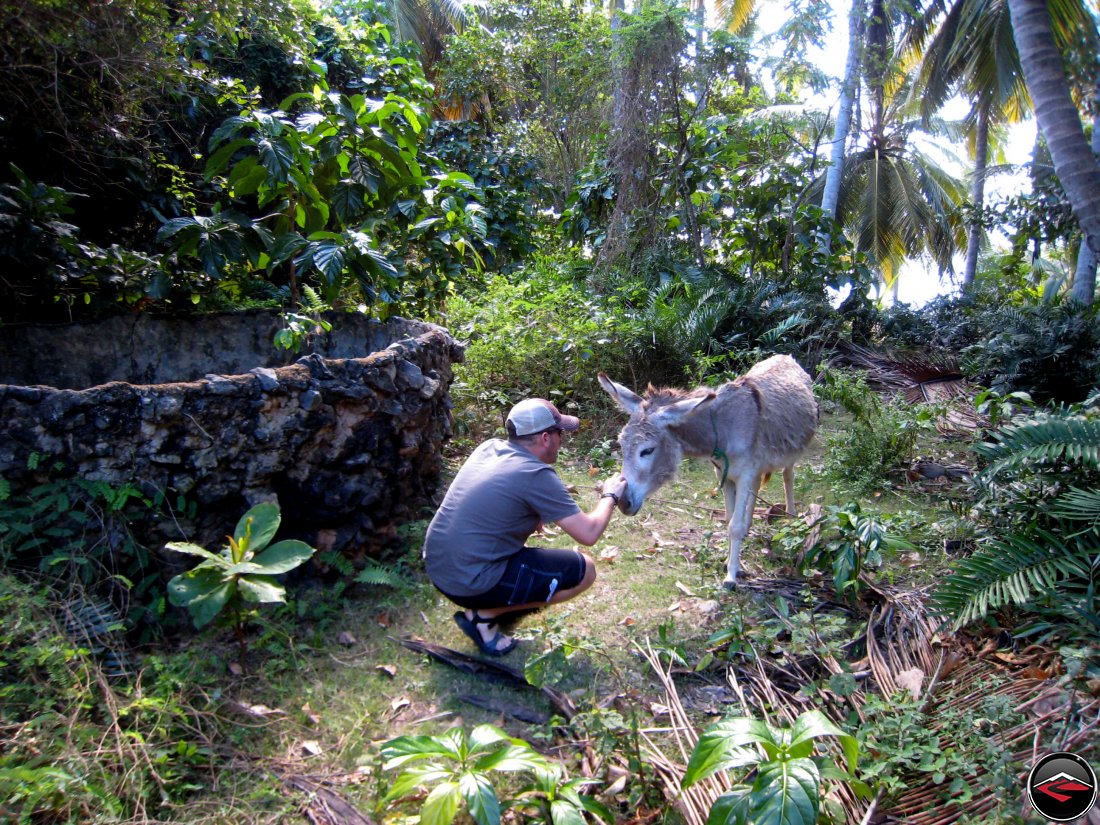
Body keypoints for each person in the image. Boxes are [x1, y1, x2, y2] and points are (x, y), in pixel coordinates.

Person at [423, 398, 628, 656]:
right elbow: (589, 533)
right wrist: (610, 495)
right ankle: (484, 617)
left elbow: (500, 495)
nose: (561, 440)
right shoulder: (536, 474)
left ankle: (494, 604)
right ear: (545, 438)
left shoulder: (490, 447)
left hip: (438, 566)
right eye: (559, 433)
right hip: (469, 581)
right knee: (584, 570)